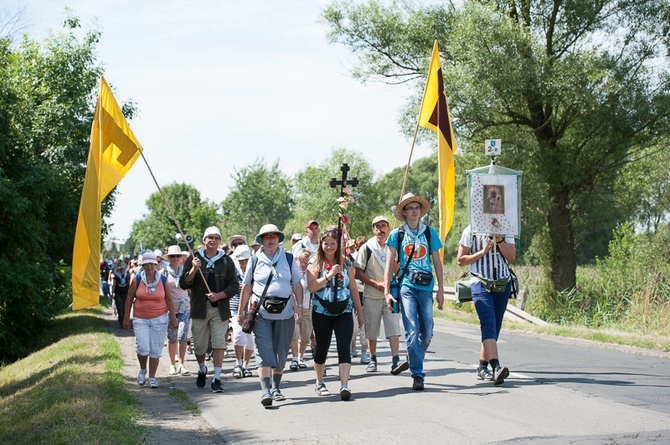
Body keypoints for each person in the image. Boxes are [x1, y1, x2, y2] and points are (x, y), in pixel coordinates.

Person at [237, 224, 303, 408]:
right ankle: (265, 391)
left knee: (281, 353)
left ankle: (276, 387)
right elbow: (247, 286)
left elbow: (297, 285)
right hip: (261, 314)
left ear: (279, 239)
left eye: (274, 236)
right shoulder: (255, 260)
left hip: (286, 312)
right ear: (262, 240)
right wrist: (242, 310)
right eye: (267, 237)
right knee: (264, 350)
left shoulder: (289, 258)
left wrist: (299, 307)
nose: (271, 239)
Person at [384, 193, 444, 391]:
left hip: (426, 288)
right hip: (406, 286)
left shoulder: (430, 233)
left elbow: (437, 262)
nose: (414, 211)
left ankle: (412, 357)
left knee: (427, 334)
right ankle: (417, 374)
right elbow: (388, 263)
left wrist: (441, 289)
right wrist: (387, 290)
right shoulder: (397, 234)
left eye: (417, 207)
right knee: (412, 331)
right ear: (404, 212)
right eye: (410, 208)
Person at [179, 226, 239, 393]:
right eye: (210, 237)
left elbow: (234, 285)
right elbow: (183, 283)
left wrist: (219, 295)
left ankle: (217, 378)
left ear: (219, 241)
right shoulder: (194, 258)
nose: (213, 240)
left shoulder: (226, 260)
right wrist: (193, 269)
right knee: (199, 346)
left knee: (219, 342)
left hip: (219, 309)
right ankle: (201, 369)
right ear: (204, 240)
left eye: (216, 238)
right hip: (199, 308)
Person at [307, 228, 364, 401]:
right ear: (321, 244)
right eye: (326, 244)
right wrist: (329, 275)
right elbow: (311, 287)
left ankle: (344, 385)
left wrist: (359, 311)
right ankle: (319, 381)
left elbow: (352, 286)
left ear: (338, 244)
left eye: (333, 244)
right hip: (322, 310)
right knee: (322, 347)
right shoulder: (315, 262)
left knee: (344, 346)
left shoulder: (346, 263)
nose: (329, 247)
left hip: (344, 309)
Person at [457, 225, 515, 385]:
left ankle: (482, 366)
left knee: (495, 327)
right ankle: (496, 367)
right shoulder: (470, 230)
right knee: (488, 323)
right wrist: (482, 253)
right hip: (480, 283)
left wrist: (500, 241)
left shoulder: (506, 228)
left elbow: (511, 257)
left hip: (503, 283)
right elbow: (460, 260)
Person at [355, 216, 409, 374]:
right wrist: (375, 284)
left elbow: (399, 271)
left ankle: (395, 360)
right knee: (371, 330)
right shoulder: (367, 247)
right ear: (373, 229)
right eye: (377, 226)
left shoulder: (394, 246)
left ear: (388, 228)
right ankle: (372, 358)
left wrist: (393, 263)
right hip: (372, 294)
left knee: (393, 327)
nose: (380, 229)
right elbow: (358, 272)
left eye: (384, 226)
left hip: (391, 293)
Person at [123, 251, 178, 388]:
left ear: (156, 264)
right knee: (142, 347)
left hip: (159, 318)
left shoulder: (163, 280)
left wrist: (173, 318)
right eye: (146, 265)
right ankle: (142, 370)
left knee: (155, 349)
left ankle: (152, 377)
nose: (149, 267)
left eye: (152, 264)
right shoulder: (137, 279)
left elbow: (169, 300)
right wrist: (126, 318)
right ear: (143, 265)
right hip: (140, 318)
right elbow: (129, 299)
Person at [163, 245, 191, 376]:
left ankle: (181, 363)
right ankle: (172, 364)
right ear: (169, 258)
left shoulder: (186, 271)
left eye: (177, 256)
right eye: (172, 256)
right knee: (172, 336)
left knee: (183, 334)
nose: (175, 258)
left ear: (181, 258)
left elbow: (190, 289)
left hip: (185, 307)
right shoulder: (164, 272)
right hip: (170, 309)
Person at [229, 244, 255, 379]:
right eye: (241, 260)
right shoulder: (234, 273)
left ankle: (245, 365)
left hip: (252, 310)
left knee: (250, 341)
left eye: (245, 260)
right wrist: (240, 312)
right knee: (239, 336)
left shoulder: (255, 272)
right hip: (236, 309)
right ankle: (238, 363)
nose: (243, 263)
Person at [288, 248, 313, 371]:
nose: (304, 265)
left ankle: (301, 357)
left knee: (305, 336)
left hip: (307, 306)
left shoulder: (311, 273)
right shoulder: (292, 272)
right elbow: (291, 291)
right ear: (297, 260)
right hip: (294, 307)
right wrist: (296, 307)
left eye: (306, 262)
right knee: (294, 333)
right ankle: (294, 358)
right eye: (302, 262)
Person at [112, 260, 131, 328]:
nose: (122, 269)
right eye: (121, 268)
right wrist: (112, 293)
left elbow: (130, 283)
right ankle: (121, 322)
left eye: (123, 268)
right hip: (118, 293)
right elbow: (114, 284)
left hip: (126, 292)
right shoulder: (117, 275)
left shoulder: (128, 274)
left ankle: (125, 321)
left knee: (125, 308)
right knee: (119, 308)